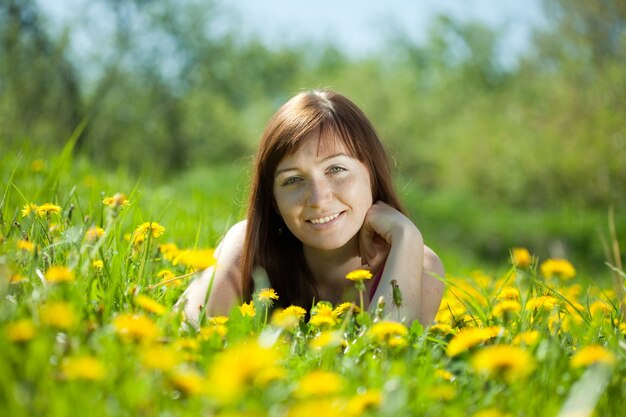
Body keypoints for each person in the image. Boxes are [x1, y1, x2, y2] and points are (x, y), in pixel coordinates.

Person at [177, 89, 445, 328]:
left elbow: (389, 360)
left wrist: (406, 235)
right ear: (273, 201)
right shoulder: (247, 248)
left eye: (336, 169)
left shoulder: (418, 264)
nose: (318, 198)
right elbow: (190, 334)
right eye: (293, 180)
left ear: (372, 175)